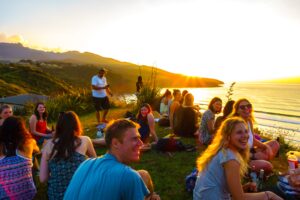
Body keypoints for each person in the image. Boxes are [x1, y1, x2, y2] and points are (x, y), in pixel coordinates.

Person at [64, 119, 159, 200]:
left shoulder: (86, 163)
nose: (141, 143)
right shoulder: (129, 176)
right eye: (135, 139)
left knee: (143, 174)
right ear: (115, 143)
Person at [193, 117, 283, 200]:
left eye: (246, 131)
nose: (245, 136)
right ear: (228, 136)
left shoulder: (222, 150)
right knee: (270, 195)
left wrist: (243, 187)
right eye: (239, 132)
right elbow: (239, 198)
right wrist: (268, 195)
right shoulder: (231, 159)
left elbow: (223, 186)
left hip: (201, 197)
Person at [39, 111, 97, 200]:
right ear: (76, 125)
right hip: (81, 193)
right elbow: (95, 164)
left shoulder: (48, 145)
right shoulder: (85, 140)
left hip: (57, 195)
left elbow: (43, 179)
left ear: (59, 127)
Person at [230, 98, 280, 174]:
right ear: (237, 110)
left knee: (275, 143)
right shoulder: (234, 124)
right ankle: (249, 171)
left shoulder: (249, 121)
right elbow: (232, 150)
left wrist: (265, 146)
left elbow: (252, 140)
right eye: (242, 107)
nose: (246, 108)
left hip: (251, 150)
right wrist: (253, 155)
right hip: (242, 157)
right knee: (268, 166)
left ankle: (260, 166)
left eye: (248, 106)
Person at [0, 116, 39, 199]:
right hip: (27, 194)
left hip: (4, 196)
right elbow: (37, 150)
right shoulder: (29, 142)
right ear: (22, 129)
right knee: (32, 159)